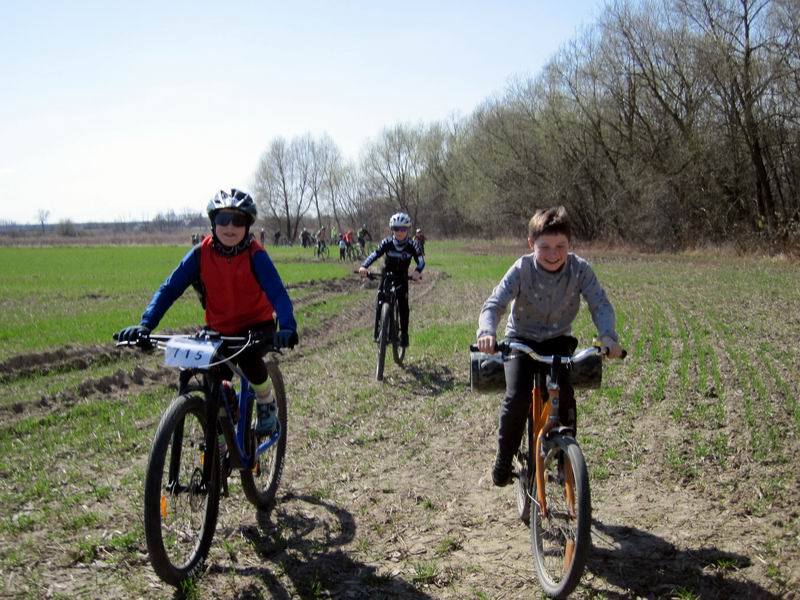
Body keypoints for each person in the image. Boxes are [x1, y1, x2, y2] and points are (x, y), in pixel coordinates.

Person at [116, 189, 298, 437]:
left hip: (256, 326)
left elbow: (277, 292)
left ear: (247, 225)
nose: (230, 227)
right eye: (223, 219)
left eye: (238, 220)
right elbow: (170, 288)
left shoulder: (256, 255)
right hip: (218, 329)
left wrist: (287, 327)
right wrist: (145, 325)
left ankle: (266, 403)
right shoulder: (200, 253)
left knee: (249, 361)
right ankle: (222, 429)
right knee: (210, 378)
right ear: (213, 223)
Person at [476, 206, 622, 487]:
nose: (553, 254)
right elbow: (494, 304)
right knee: (517, 396)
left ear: (570, 244)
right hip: (521, 340)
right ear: (531, 244)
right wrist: (487, 332)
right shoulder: (522, 268)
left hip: (558, 340)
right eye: (545, 247)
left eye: (560, 247)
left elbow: (600, 304)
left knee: (565, 395)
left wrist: (608, 336)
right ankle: (504, 459)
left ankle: (566, 458)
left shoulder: (579, 269)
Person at [359, 212, 425, 347]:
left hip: (402, 276)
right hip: (387, 273)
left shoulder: (413, 245)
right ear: (392, 229)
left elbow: (421, 261)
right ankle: (379, 329)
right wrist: (364, 266)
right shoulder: (387, 242)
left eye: (403, 229)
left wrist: (417, 271)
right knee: (380, 297)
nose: (400, 232)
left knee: (403, 304)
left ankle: (404, 334)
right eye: (396, 229)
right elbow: (375, 254)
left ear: (407, 229)